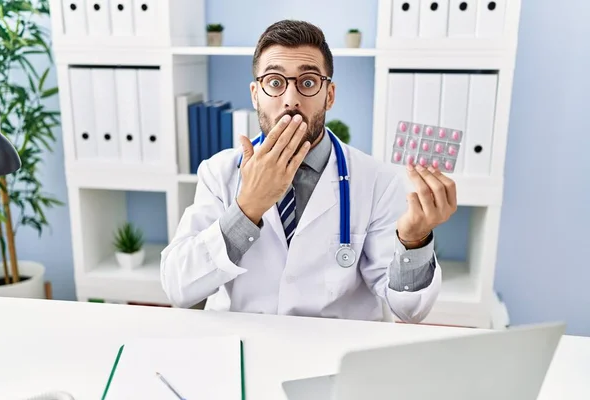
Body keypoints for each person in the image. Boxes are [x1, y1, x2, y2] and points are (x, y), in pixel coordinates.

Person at [160, 20, 457, 323]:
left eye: (308, 81)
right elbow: (178, 288)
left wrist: (415, 240)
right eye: (275, 82)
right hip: (243, 349)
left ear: (329, 94)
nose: (291, 99)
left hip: (335, 353)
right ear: (255, 94)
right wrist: (248, 207)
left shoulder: (378, 180)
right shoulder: (218, 172)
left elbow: (409, 310)